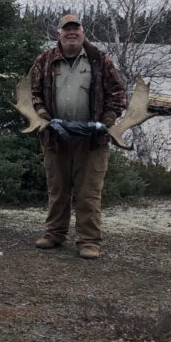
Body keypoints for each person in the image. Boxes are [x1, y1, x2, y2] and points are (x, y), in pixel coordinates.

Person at [29, 15, 126, 259]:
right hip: (56, 136)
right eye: (66, 29)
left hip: (91, 140)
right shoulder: (45, 60)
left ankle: (89, 240)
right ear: (58, 34)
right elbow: (33, 92)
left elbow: (118, 93)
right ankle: (54, 234)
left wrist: (107, 120)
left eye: (76, 29)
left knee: (88, 193)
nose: (71, 33)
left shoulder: (100, 60)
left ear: (83, 33)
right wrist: (42, 113)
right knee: (58, 189)